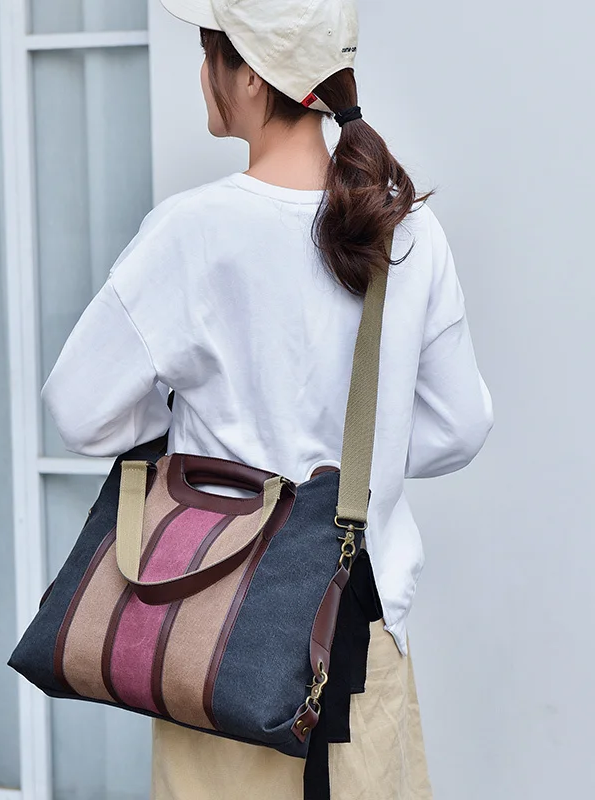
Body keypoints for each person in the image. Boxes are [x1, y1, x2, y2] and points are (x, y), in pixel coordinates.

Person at [41, 0, 494, 797]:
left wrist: (185, 425)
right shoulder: (406, 231)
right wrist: (364, 464)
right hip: (359, 641)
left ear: (249, 75)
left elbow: (81, 409)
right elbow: (462, 424)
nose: (204, 74)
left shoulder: (192, 232)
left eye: (209, 52)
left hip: (212, 639)